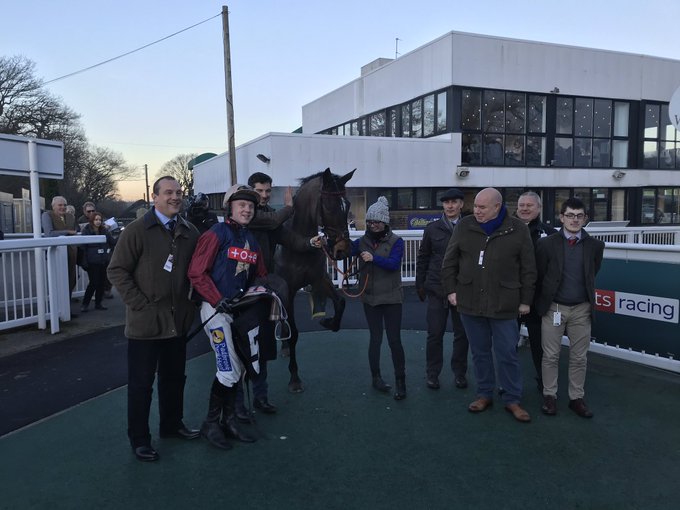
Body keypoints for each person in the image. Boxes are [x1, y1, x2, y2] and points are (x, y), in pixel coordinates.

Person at [107, 176, 200, 462]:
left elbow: (199, 271)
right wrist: (139, 305)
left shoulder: (190, 231)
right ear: (154, 196)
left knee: (174, 379)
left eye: (179, 192)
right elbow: (117, 270)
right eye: (168, 192)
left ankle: (171, 425)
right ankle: (140, 439)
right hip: (145, 325)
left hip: (178, 322)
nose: (175, 197)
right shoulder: (136, 230)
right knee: (141, 385)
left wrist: (192, 305)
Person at [441, 188, 536, 423]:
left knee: (507, 354)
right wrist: (451, 291)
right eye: (475, 207)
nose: (476, 211)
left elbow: (529, 269)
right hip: (470, 303)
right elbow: (449, 262)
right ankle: (484, 394)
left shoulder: (518, 229)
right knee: (480, 352)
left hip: (505, 304)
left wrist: (526, 301)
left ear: (497, 207)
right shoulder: (465, 226)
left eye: (482, 207)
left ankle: (512, 398)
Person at [234, 172, 322, 420]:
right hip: (239, 293)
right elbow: (273, 222)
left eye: (267, 191)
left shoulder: (266, 217)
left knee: (261, 347)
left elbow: (290, 239)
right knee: (242, 351)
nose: (263, 196)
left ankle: (260, 397)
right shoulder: (249, 217)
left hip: (261, 291)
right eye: (259, 191)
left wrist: (312, 243)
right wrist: (289, 208)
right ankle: (239, 405)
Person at [187, 184, 267, 450]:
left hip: (239, 310)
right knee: (228, 369)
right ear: (229, 208)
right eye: (242, 204)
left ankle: (229, 421)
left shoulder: (251, 239)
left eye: (251, 206)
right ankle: (211, 424)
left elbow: (260, 275)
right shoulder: (215, 234)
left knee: (241, 368)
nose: (247, 209)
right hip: (215, 310)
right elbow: (197, 272)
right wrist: (216, 299)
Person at [535, 197, 604, 418]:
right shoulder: (546, 244)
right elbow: (541, 274)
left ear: (585, 219)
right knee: (551, 356)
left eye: (579, 215)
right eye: (570, 215)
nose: (575, 220)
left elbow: (593, 272)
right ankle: (550, 396)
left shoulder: (595, 246)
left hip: (582, 309)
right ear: (562, 217)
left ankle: (576, 398)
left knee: (579, 357)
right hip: (553, 308)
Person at [352, 196, 407, 400]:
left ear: (385, 223)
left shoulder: (396, 241)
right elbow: (343, 252)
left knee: (394, 341)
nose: (373, 225)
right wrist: (327, 242)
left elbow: (394, 264)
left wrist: (373, 258)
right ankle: (376, 378)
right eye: (370, 222)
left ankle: (401, 381)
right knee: (375, 340)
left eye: (377, 222)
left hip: (392, 299)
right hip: (370, 299)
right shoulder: (362, 241)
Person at [415, 188, 469, 390]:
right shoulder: (432, 229)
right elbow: (423, 257)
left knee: (462, 334)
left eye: (454, 202)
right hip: (437, 289)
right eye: (446, 202)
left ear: (461, 204)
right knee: (434, 334)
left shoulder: (470, 227)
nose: (450, 206)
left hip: (463, 289)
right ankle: (432, 373)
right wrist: (420, 284)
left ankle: (460, 373)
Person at [515, 191, 557, 391]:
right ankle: (509, 384)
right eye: (521, 205)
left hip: (538, 300)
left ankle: (546, 386)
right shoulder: (505, 230)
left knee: (540, 346)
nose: (524, 208)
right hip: (510, 297)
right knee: (506, 345)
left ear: (539, 208)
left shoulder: (550, 234)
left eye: (529, 205)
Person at [42, 196, 80, 303]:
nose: (63, 207)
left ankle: (67, 309)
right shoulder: (47, 215)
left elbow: (77, 230)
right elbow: (49, 234)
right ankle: (57, 310)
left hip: (72, 253)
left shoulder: (70, 216)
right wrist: (67, 232)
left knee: (71, 280)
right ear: (53, 206)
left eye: (64, 205)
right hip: (56, 254)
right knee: (58, 281)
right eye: (60, 205)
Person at [80, 211, 116, 312]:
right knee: (93, 282)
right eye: (96, 220)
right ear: (92, 220)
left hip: (103, 260)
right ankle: (85, 304)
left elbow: (112, 242)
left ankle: (98, 303)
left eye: (100, 220)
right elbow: (83, 247)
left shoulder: (104, 230)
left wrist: (123, 235)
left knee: (101, 283)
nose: (98, 222)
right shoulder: (86, 230)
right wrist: (84, 261)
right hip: (92, 261)